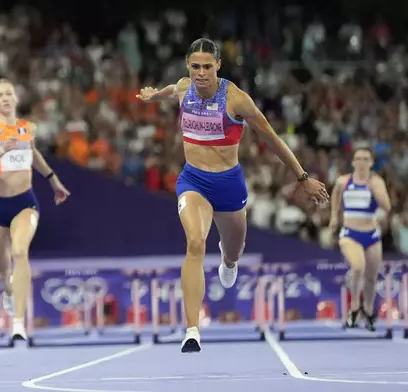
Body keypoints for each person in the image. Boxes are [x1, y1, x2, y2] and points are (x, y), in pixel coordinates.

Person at [136, 38, 329, 353]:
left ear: (218, 66)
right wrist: (155, 94)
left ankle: (229, 260)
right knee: (195, 243)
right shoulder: (185, 87)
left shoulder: (237, 100)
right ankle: (192, 329)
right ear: (189, 66)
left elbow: (273, 139)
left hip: (229, 186)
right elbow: (174, 89)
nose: (200, 73)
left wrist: (302, 177)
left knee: (234, 249)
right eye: (195, 66)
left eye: (207, 67)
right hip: (193, 181)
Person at [0, 78, 70, 342]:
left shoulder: (28, 128)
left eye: (8, 94)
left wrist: (53, 180)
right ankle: (8, 293)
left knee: (20, 252)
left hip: (25, 203)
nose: (4, 98)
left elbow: (33, 154)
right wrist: (3, 149)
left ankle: (18, 323)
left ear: (16, 98)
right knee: (2, 271)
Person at [329, 147, 391, 331]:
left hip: (371, 234)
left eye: (366, 159)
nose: (362, 162)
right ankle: (355, 308)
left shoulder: (376, 182)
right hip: (350, 233)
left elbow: (387, 207)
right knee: (357, 267)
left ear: (371, 163)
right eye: (358, 158)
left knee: (371, 277)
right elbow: (336, 194)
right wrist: (334, 215)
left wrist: (375, 191)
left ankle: (370, 311)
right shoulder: (344, 181)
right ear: (353, 162)